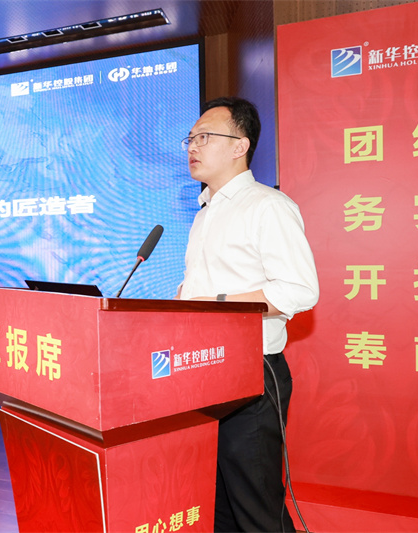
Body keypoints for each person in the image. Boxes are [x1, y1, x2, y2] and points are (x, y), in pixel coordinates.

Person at [176, 97, 319, 532]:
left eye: (204, 137)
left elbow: (299, 289)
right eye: (190, 138)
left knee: (256, 508)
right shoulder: (205, 213)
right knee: (219, 504)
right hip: (205, 371)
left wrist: (216, 303)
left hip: (253, 377)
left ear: (240, 146)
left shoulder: (267, 206)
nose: (192, 147)